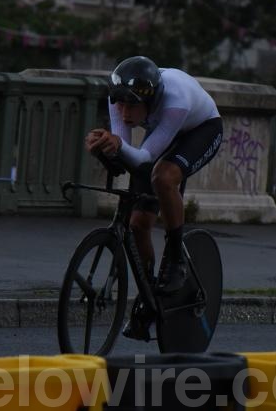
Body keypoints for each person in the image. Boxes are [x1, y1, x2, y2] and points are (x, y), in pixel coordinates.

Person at [85, 55, 223, 340]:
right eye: (120, 104)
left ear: (150, 100)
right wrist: (104, 148)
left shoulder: (175, 99)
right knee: (137, 224)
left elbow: (145, 157)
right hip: (163, 136)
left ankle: (175, 260)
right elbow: (126, 157)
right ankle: (149, 299)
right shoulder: (118, 97)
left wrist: (119, 145)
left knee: (163, 176)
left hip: (201, 129)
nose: (124, 113)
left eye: (132, 105)